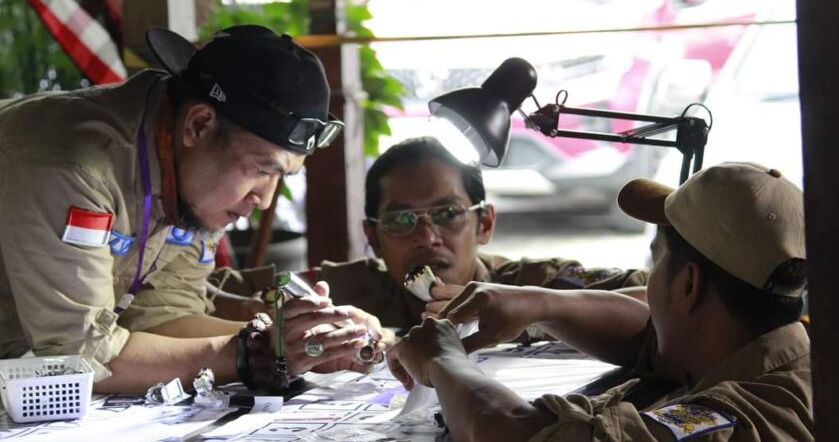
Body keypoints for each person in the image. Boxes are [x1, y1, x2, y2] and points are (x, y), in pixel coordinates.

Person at [389, 162, 818, 442]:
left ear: (688, 285)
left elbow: (509, 434)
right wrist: (538, 304)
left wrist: (442, 357)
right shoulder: (782, 356)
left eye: (656, 263)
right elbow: (642, 331)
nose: (647, 285)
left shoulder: (745, 429)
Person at [0, 24, 388, 394]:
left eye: (281, 177)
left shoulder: (191, 175)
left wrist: (299, 341)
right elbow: (81, 356)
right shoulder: (70, 165)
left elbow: (161, 316)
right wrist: (255, 355)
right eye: (261, 170)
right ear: (199, 125)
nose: (264, 199)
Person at [213, 137, 647, 330]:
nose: (427, 236)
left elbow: (651, 297)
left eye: (448, 214)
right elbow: (204, 294)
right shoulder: (343, 290)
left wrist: (541, 310)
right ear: (372, 237)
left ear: (485, 224)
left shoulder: (531, 284)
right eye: (401, 221)